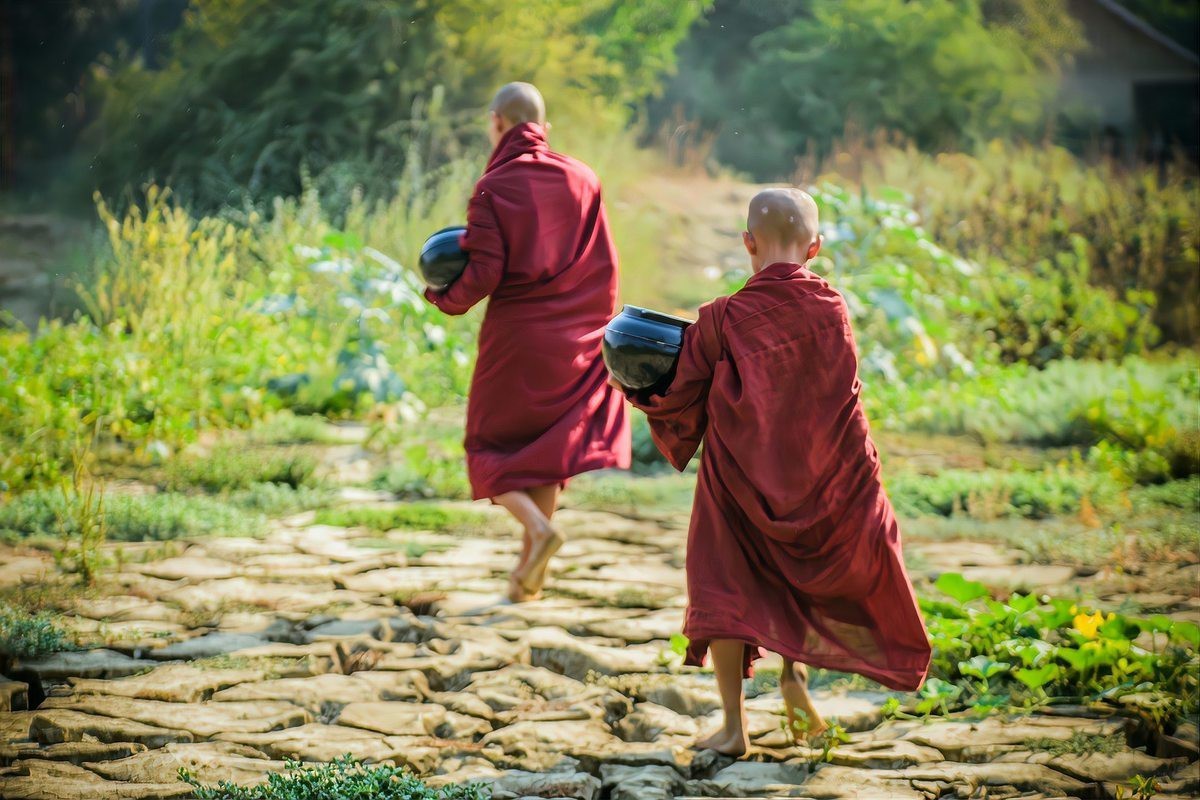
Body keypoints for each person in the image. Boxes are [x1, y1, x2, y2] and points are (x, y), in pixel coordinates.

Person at [615, 188, 930, 755]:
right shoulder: (833, 309)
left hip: (740, 482)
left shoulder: (723, 317)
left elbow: (675, 391)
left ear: (748, 244)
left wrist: (632, 388)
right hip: (828, 476)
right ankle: (793, 680)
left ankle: (734, 728)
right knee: (795, 575)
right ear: (815, 247)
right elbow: (840, 396)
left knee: (725, 580)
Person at [425, 82, 630, 603]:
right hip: (576, 337)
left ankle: (538, 534)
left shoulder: (495, 185)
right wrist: (597, 332)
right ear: (544, 127)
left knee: (487, 447)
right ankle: (525, 580)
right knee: (545, 453)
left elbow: (485, 272)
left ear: (496, 122)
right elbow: (606, 265)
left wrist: (441, 295)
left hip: (517, 340)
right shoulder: (585, 178)